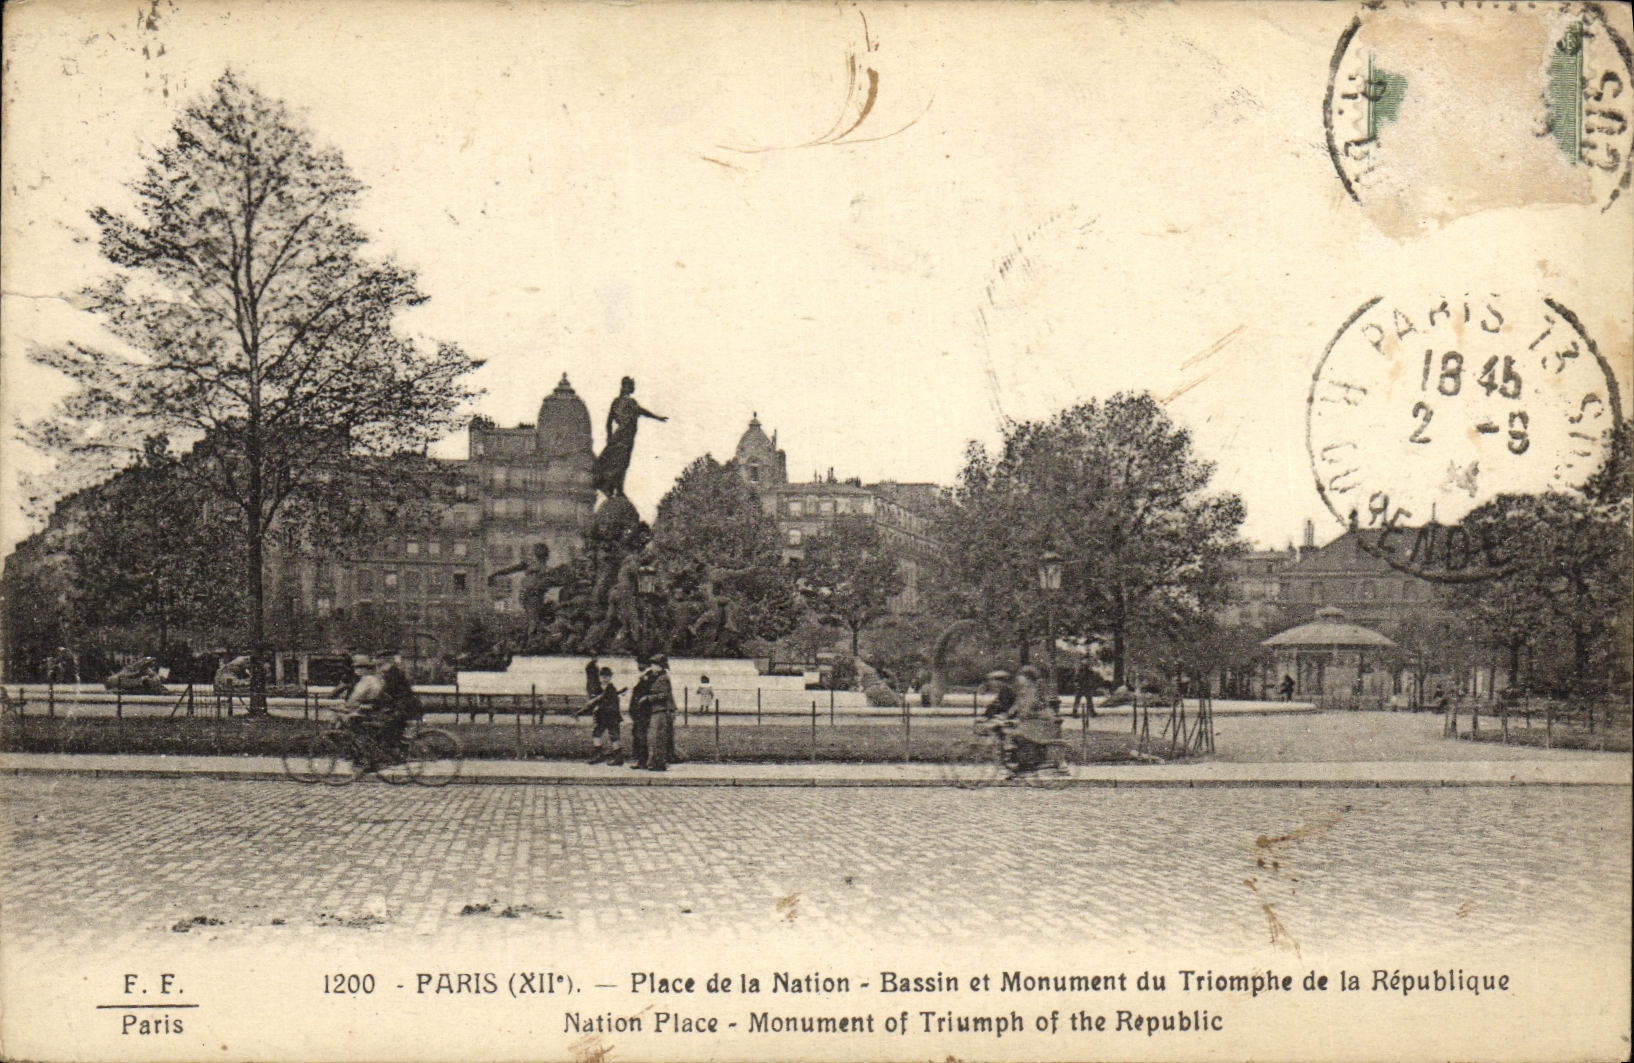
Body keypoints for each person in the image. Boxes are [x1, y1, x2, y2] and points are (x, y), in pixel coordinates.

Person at [591, 376, 667, 498]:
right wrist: (657, 417)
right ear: (626, 387)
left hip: (621, 437)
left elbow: (609, 422)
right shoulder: (630, 403)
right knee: (621, 463)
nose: (634, 388)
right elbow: (642, 412)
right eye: (632, 385)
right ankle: (614, 488)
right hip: (624, 437)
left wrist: (609, 438)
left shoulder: (617, 402)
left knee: (617, 462)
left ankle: (613, 488)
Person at [344, 655, 416, 771]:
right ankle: (373, 759)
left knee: (356, 727)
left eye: (359, 667)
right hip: (389, 710)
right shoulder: (380, 677)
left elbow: (357, 697)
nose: (357, 670)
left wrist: (349, 705)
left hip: (385, 711)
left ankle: (368, 760)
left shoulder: (369, 680)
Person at [1007, 664, 1057, 775]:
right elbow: (1017, 705)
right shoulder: (1025, 690)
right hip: (1032, 720)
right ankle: (1022, 762)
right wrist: (1011, 712)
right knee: (1014, 733)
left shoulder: (1033, 690)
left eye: (1021, 676)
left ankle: (1026, 763)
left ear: (1028, 678)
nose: (1018, 678)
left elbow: (1027, 708)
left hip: (1040, 721)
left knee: (1020, 734)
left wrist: (1019, 715)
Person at [641, 654, 678, 772]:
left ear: (661, 666)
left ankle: (658, 763)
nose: (652, 667)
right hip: (658, 710)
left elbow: (664, 695)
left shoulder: (663, 678)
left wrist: (648, 698)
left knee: (658, 737)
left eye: (654, 665)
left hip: (662, 710)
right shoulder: (658, 677)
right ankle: (655, 763)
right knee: (655, 737)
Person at [584, 666, 625, 766]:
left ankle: (618, 758)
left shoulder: (612, 689)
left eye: (607, 676)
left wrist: (602, 705)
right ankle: (599, 754)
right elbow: (592, 701)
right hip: (601, 717)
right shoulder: (597, 689)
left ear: (610, 677)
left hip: (611, 716)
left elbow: (614, 704)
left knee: (614, 736)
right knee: (596, 734)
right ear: (599, 677)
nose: (605, 678)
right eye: (602, 676)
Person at [627, 654, 654, 770]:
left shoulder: (647, 676)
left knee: (641, 736)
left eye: (639, 664)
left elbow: (643, 694)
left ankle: (642, 761)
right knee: (638, 735)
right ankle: (641, 760)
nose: (638, 666)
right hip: (639, 712)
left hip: (642, 712)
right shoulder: (644, 676)